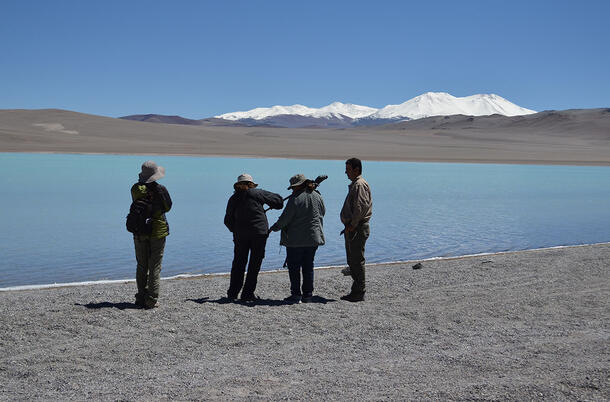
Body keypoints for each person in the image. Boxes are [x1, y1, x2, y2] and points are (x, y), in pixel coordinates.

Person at [224, 174, 283, 302]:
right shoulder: (257, 193)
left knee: (238, 264)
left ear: (238, 185)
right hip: (259, 234)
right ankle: (247, 294)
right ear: (251, 184)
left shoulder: (233, 198)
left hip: (240, 236)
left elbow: (227, 220)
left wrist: (236, 230)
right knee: (254, 265)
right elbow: (279, 202)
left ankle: (233, 293)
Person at [270, 174, 326, 303]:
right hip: (313, 238)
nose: (292, 190)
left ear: (299, 185)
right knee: (308, 267)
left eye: (293, 187)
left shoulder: (295, 199)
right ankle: (307, 295)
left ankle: (296, 295)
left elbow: (285, 218)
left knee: (294, 268)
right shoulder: (318, 196)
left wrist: (274, 227)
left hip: (295, 241)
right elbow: (323, 212)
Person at [131, 160, 173, 309]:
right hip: (158, 231)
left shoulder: (136, 189)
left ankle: (141, 297)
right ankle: (152, 299)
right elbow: (167, 207)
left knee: (142, 265)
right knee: (155, 266)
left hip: (140, 230)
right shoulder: (161, 189)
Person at [340, 157, 372, 302]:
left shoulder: (359, 185)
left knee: (356, 260)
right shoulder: (356, 184)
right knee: (353, 259)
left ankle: (359, 291)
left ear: (356, 170)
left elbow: (360, 207)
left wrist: (352, 225)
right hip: (354, 227)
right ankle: (357, 290)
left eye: (348, 170)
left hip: (357, 228)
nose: (346, 173)